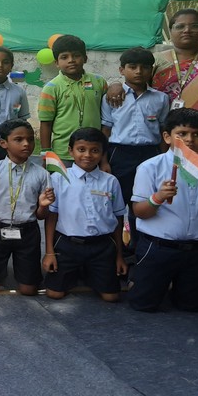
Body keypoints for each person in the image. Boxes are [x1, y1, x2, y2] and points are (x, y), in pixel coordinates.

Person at [106, 9, 198, 170]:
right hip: (166, 133)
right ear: (171, 31)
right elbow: (136, 83)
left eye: (194, 26)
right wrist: (115, 85)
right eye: (180, 26)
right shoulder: (156, 60)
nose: (187, 30)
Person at [128, 108, 198, 312]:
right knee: (143, 305)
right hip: (158, 249)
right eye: (182, 134)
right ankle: (141, 280)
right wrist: (158, 198)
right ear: (167, 137)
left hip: (197, 251)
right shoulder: (149, 167)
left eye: (196, 134)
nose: (189, 139)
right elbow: (139, 212)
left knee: (191, 307)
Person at [42, 128, 127, 302]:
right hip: (68, 245)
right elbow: (52, 216)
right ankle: (79, 271)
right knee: (54, 294)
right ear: (70, 151)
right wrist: (49, 252)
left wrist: (119, 256)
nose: (87, 155)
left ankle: (90, 272)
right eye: (81, 149)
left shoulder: (110, 181)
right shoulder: (59, 178)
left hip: (101, 246)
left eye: (95, 150)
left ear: (102, 153)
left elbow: (118, 218)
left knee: (111, 297)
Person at [100, 47, 169, 255]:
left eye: (145, 67)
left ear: (151, 70)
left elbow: (164, 131)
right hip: (119, 154)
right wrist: (104, 160)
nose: (139, 71)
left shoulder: (160, 98)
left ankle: (139, 248)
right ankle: (117, 251)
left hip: (150, 154)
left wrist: (165, 160)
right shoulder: (112, 96)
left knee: (143, 201)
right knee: (117, 202)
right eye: (132, 67)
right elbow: (105, 130)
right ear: (122, 70)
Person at [0, 120, 54, 296]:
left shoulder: (42, 174)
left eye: (30, 139)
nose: (26, 144)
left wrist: (43, 206)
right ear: (4, 143)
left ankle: (24, 273)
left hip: (28, 233)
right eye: (19, 139)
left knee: (29, 290)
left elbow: (42, 216)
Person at [37, 35, 107, 165]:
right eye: (64, 57)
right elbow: (46, 123)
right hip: (63, 153)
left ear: (85, 58)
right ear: (56, 63)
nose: (71, 60)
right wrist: (46, 153)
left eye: (76, 55)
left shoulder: (99, 82)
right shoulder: (51, 88)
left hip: (93, 151)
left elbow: (106, 118)